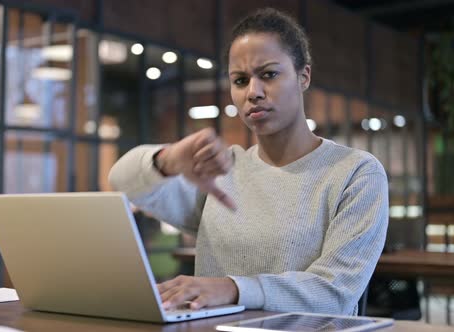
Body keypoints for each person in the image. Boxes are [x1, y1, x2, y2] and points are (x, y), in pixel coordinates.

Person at [108, 8, 388, 315]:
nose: (253, 92)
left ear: (303, 76)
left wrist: (232, 288)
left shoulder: (356, 172)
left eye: (268, 74)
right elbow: (123, 180)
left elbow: (335, 292)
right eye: (240, 80)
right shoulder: (221, 170)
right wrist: (169, 159)